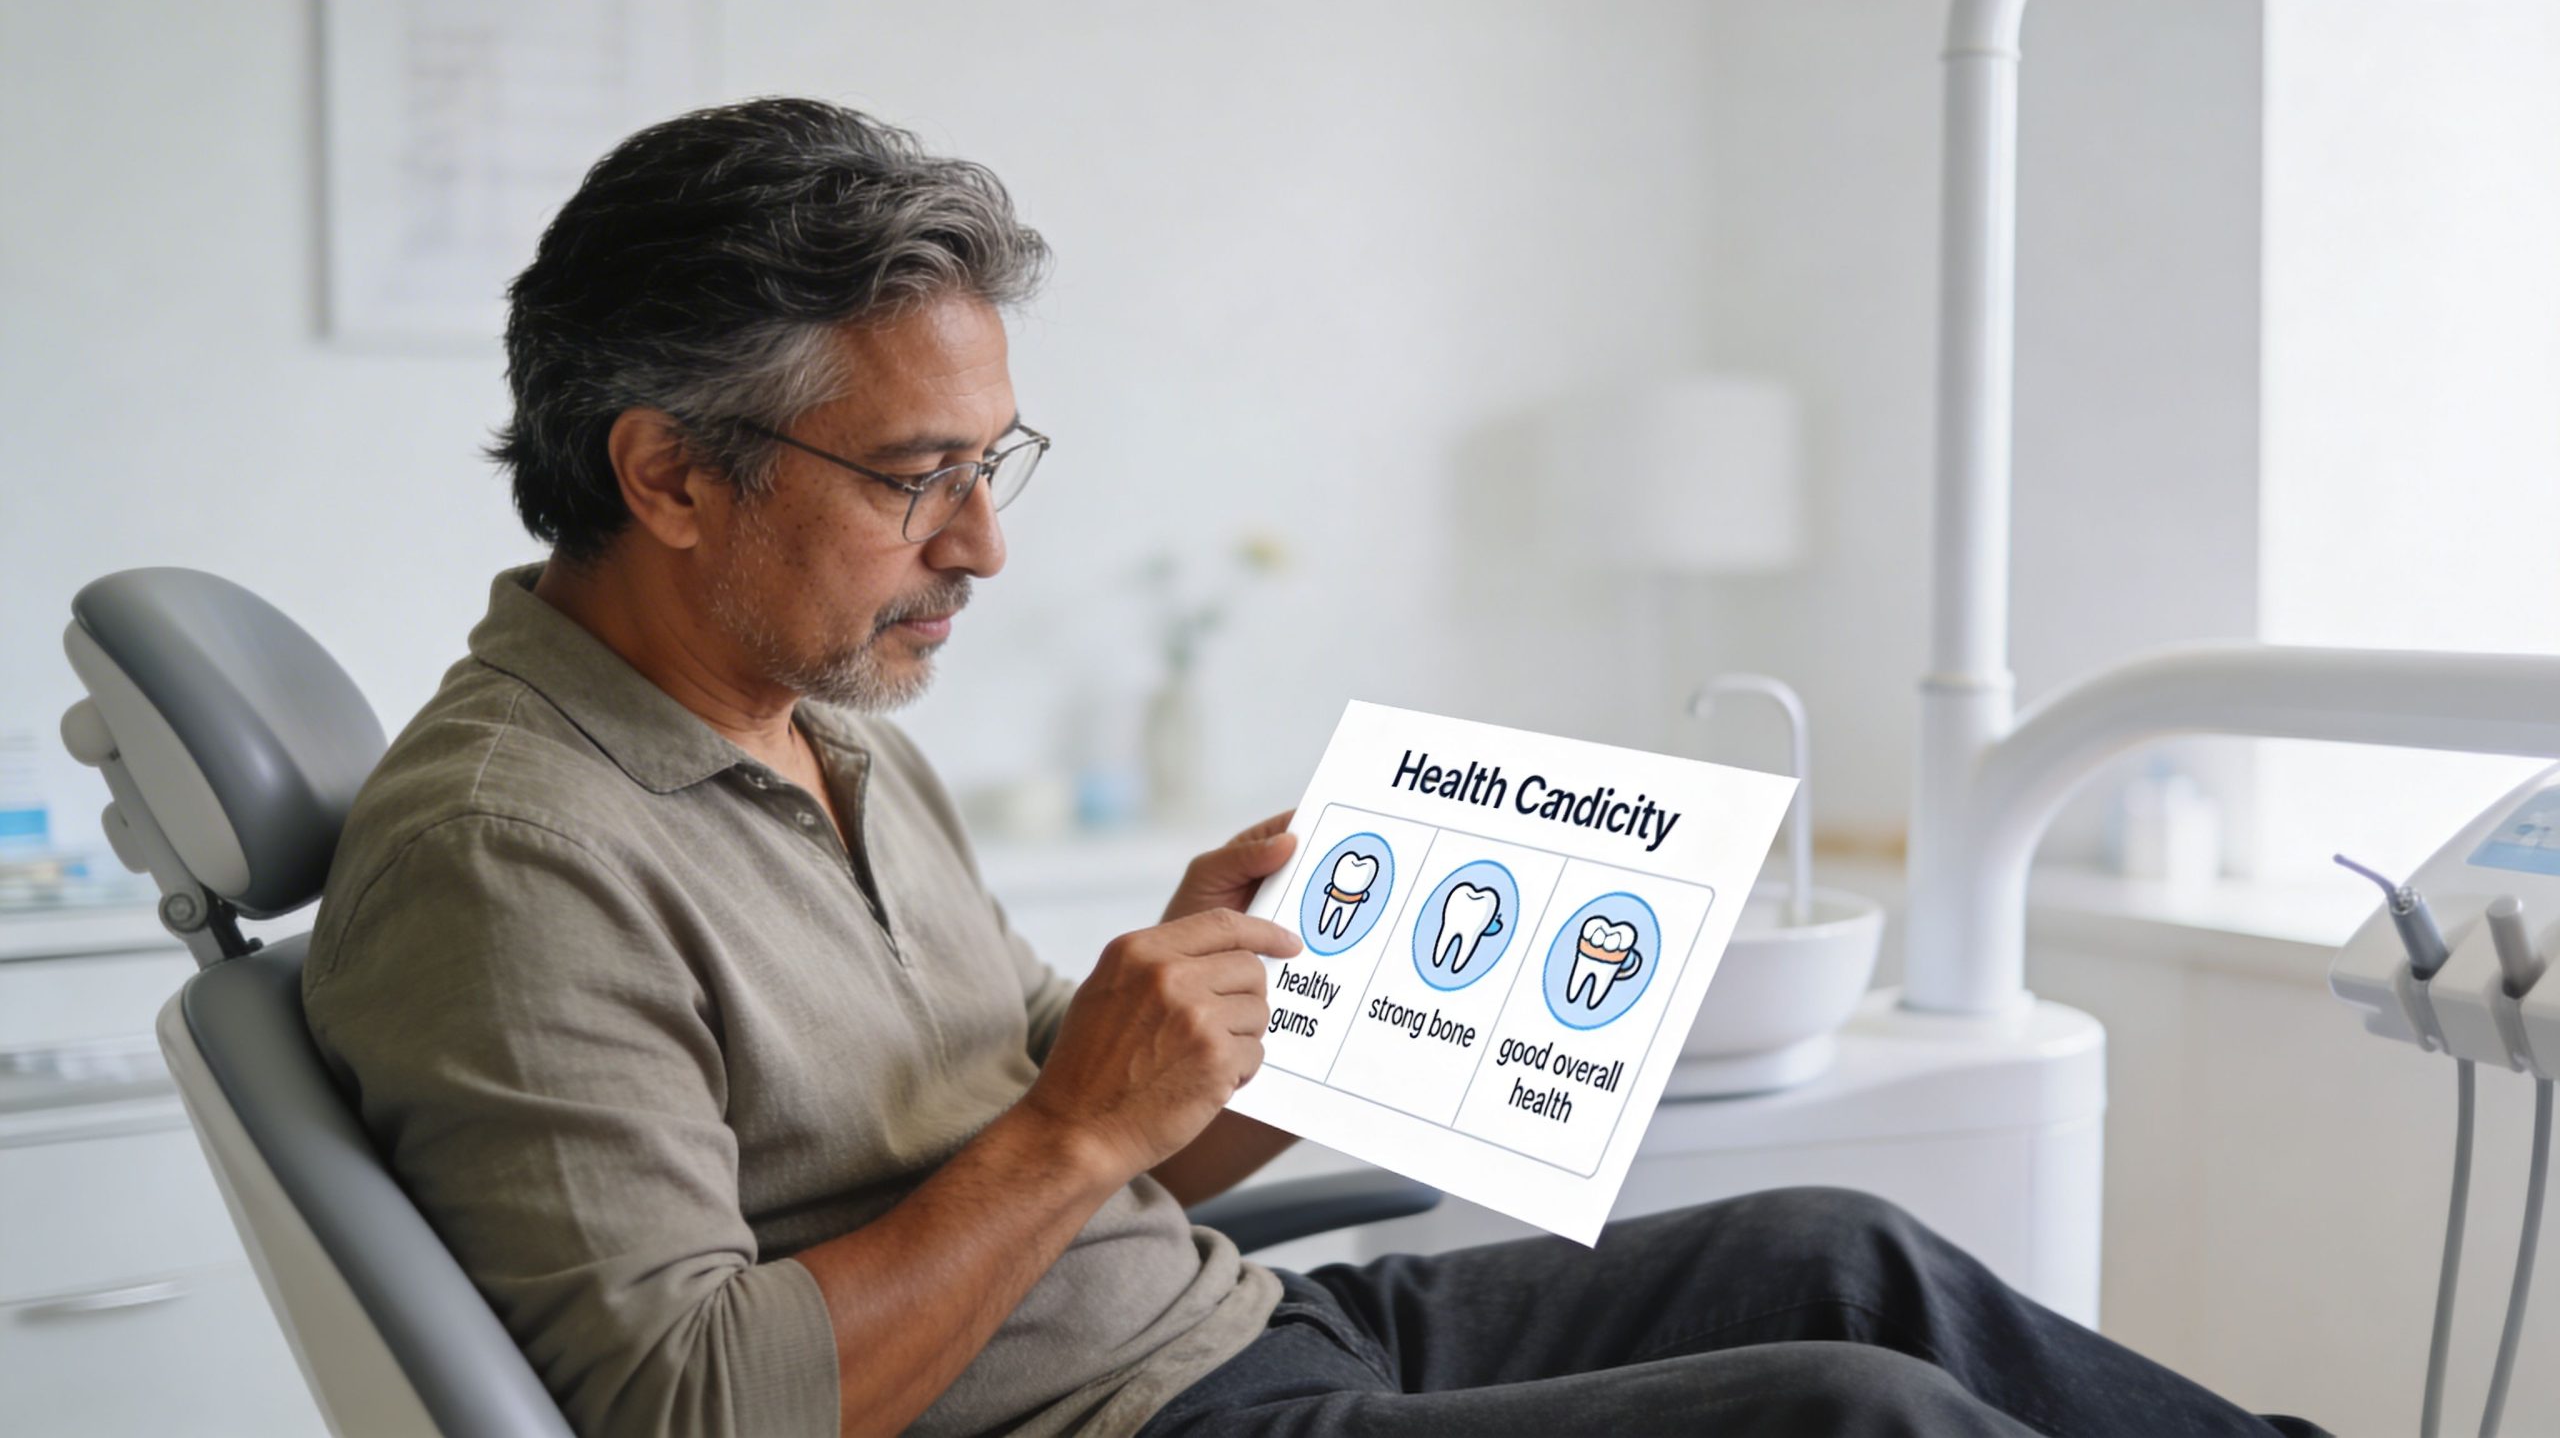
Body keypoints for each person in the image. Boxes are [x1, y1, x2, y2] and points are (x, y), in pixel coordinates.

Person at [303, 98, 2326, 1438]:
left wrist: (1241, 1048)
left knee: (1839, 1249)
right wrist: (1080, 1135)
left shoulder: (822, 727)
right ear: (665, 470)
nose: (983, 546)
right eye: (918, 481)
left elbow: (1071, 1147)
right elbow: (677, 1409)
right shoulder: (509, 856)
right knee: (1846, 1420)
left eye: (988, 467)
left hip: (1227, 1334)